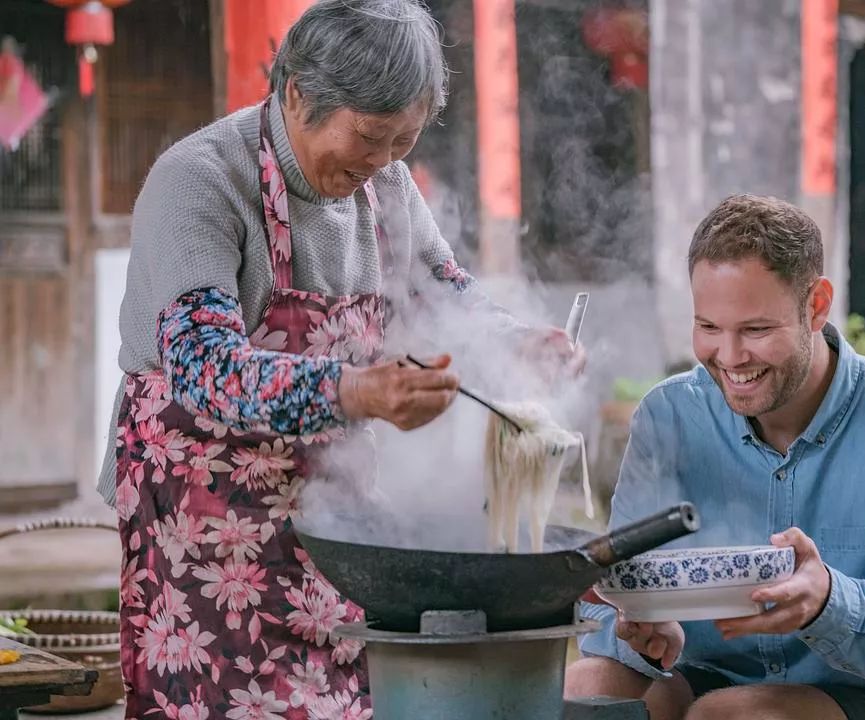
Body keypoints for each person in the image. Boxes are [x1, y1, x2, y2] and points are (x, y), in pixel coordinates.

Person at [96, 2, 582, 717]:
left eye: (403, 140)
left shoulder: (387, 186)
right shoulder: (200, 180)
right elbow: (205, 369)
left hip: (333, 520)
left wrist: (516, 341)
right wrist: (357, 392)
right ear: (297, 93)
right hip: (201, 522)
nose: (381, 162)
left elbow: (444, 291)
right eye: (370, 136)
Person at [566, 194, 865, 720]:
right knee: (584, 688)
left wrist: (830, 603)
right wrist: (642, 631)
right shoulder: (669, 416)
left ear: (816, 306)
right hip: (701, 675)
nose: (730, 357)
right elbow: (613, 604)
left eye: (756, 330)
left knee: (733, 716)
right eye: (709, 328)